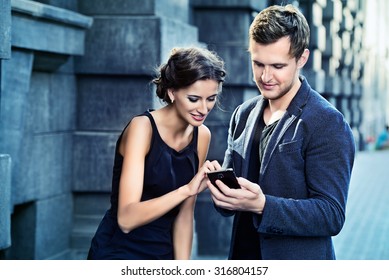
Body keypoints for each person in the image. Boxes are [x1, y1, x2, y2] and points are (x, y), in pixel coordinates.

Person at [206, 4, 355, 260]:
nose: (265, 76)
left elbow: (331, 215)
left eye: (277, 66)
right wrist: (223, 193)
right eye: (257, 63)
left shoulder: (327, 122)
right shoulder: (243, 114)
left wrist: (263, 206)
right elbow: (230, 206)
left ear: (302, 59)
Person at [87, 46, 226, 260]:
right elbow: (126, 219)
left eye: (211, 98)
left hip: (163, 256)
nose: (204, 109)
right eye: (194, 98)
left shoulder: (202, 135)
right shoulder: (141, 128)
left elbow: (185, 216)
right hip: (119, 253)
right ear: (172, 92)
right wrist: (187, 190)